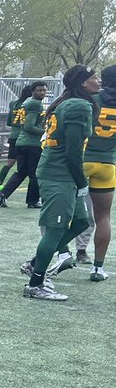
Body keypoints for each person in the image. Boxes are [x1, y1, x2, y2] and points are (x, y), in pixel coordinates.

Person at [20, 65, 99, 301]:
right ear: (83, 83)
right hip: (59, 174)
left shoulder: (71, 103)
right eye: (94, 77)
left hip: (61, 172)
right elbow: (73, 151)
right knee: (56, 229)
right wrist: (81, 180)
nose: (99, 81)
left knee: (81, 222)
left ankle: (36, 263)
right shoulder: (78, 105)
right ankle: (35, 284)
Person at [71, 64, 115, 276]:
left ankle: (59, 254)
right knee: (103, 217)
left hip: (82, 160)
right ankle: (98, 267)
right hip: (107, 163)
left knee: (62, 211)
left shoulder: (90, 99)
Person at [0, 81, 47, 208]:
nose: (42, 93)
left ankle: (3, 193)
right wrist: (45, 132)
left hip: (21, 141)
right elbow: (29, 126)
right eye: (39, 90)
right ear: (32, 91)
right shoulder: (35, 104)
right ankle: (33, 200)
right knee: (35, 173)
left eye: (44, 90)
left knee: (21, 172)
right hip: (32, 143)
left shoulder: (27, 102)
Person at [0, 83, 36, 193]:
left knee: (9, 163)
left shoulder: (13, 104)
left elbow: (8, 122)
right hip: (24, 138)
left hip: (13, 136)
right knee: (27, 168)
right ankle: (34, 196)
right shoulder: (31, 105)